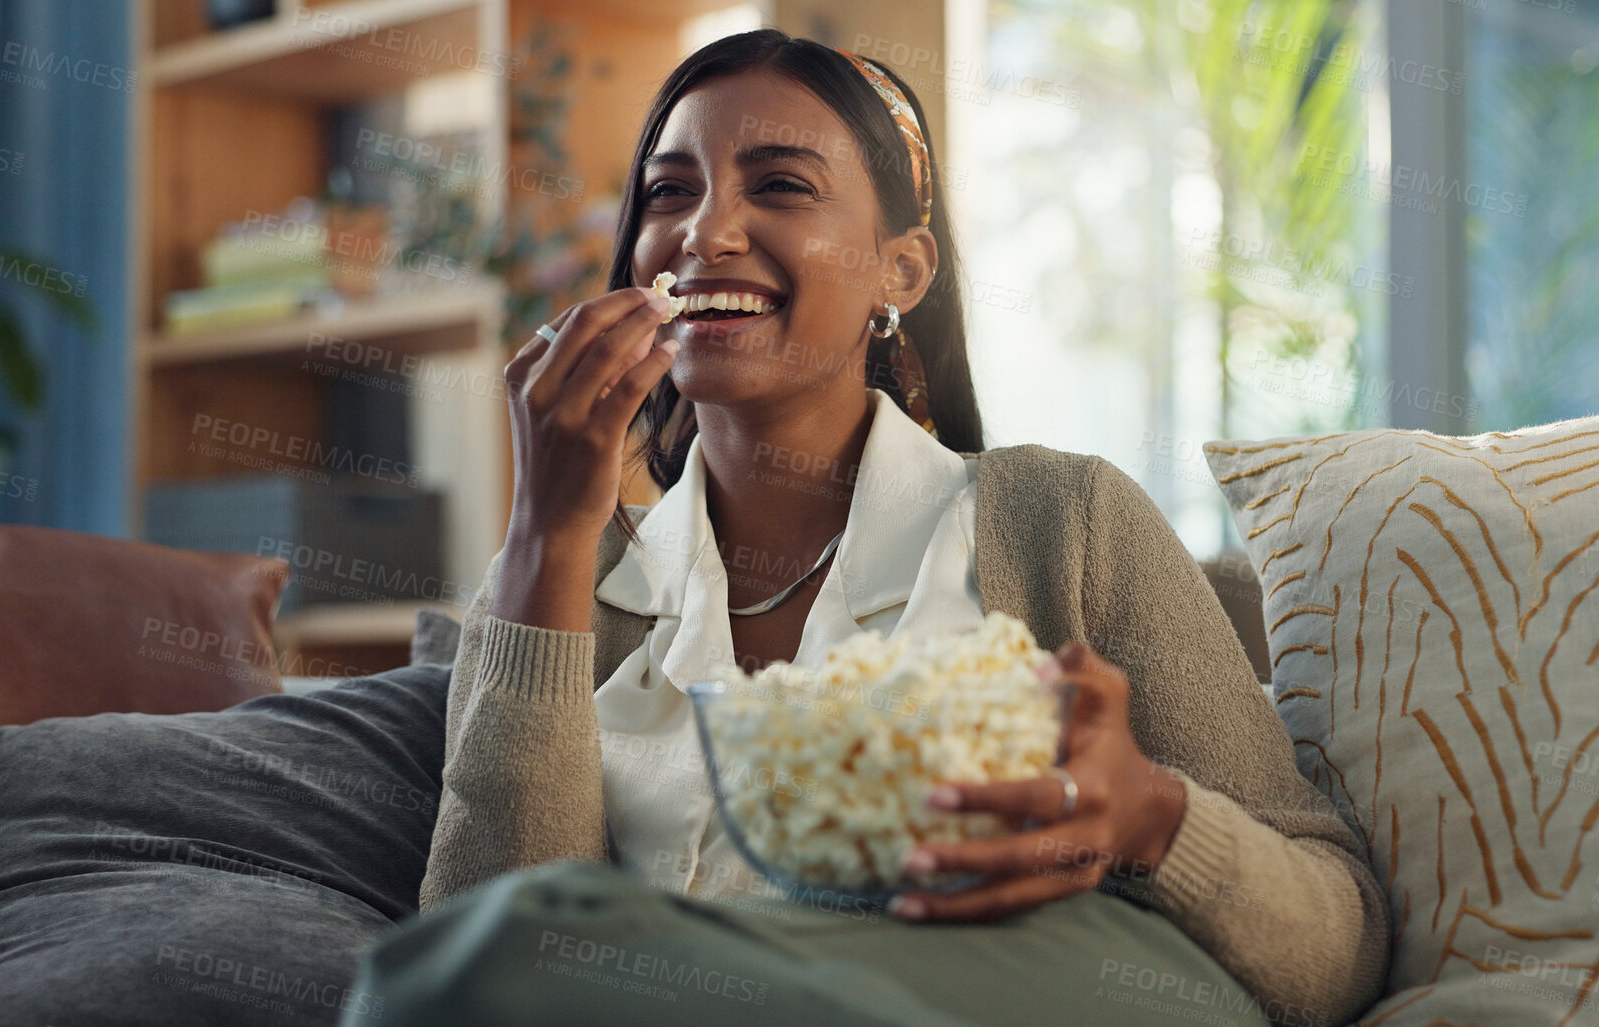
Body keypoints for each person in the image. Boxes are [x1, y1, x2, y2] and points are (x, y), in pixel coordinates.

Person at [349, 28, 1387, 1027]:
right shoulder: (564, 575)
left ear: (904, 272)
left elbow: (1337, 945)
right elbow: (500, 943)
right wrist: (546, 536)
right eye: (670, 192)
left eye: (782, 185)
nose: (705, 232)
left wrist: (1149, 814)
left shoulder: (1063, 521)